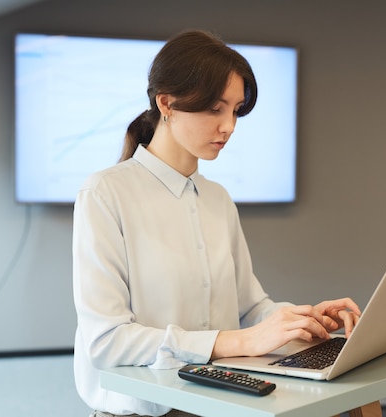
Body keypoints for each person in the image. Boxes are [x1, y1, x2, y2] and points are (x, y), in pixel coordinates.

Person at [72, 29, 361, 417]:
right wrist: (233, 342)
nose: (229, 126)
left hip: (221, 402)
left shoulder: (217, 198)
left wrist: (303, 320)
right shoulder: (105, 194)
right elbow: (107, 342)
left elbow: (249, 309)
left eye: (236, 110)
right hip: (145, 409)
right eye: (214, 109)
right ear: (167, 103)